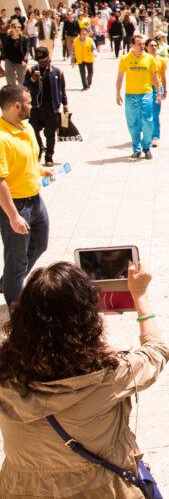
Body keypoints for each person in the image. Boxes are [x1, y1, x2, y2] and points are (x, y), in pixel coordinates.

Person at [0, 260, 169, 499]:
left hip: (22, 498)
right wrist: (140, 296)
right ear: (88, 317)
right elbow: (156, 351)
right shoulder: (109, 376)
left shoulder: (5, 370)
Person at [0, 85, 50, 308]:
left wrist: (39, 169)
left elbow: (28, 156)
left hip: (35, 200)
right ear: (16, 105)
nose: (32, 105)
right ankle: (15, 309)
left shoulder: (26, 127)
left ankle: (8, 281)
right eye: (28, 102)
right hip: (16, 206)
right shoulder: (1, 137)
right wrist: (13, 216)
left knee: (40, 243)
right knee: (16, 260)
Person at [115, 35, 161, 160]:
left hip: (146, 93)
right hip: (130, 95)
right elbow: (120, 77)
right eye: (139, 44)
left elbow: (155, 76)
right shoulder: (125, 59)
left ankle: (146, 146)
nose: (142, 46)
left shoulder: (149, 58)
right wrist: (117, 94)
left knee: (148, 121)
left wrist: (158, 92)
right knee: (133, 124)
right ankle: (137, 149)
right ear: (132, 46)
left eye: (142, 44)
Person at [24, 47, 67, 168]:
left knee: (50, 134)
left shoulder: (57, 72)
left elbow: (62, 90)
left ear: (49, 58)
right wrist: (32, 79)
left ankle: (49, 156)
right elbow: (24, 88)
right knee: (33, 131)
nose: (42, 63)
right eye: (39, 61)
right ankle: (40, 148)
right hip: (36, 108)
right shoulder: (30, 71)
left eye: (44, 60)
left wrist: (65, 105)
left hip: (51, 108)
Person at [146, 40, 167, 146]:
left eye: (155, 45)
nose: (154, 47)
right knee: (145, 114)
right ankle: (146, 134)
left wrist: (165, 90)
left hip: (157, 89)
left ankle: (155, 136)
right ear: (146, 47)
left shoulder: (161, 60)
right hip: (145, 88)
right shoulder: (144, 60)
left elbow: (163, 76)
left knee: (155, 113)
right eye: (151, 45)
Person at [1, 20, 30, 88]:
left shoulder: (24, 38)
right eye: (15, 27)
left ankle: (21, 93)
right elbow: (4, 49)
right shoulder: (8, 38)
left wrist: (25, 59)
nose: (17, 28)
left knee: (22, 80)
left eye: (19, 27)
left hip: (21, 61)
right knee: (10, 78)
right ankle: (12, 92)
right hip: (9, 61)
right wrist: (2, 58)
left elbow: (27, 50)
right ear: (11, 28)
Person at [73, 25, 96, 90]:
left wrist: (94, 53)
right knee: (82, 73)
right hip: (80, 58)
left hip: (88, 58)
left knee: (90, 73)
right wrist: (72, 60)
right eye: (83, 33)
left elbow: (94, 48)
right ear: (80, 33)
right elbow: (73, 51)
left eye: (85, 33)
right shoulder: (75, 41)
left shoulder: (90, 40)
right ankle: (85, 86)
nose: (84, 34)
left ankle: (88, 83)